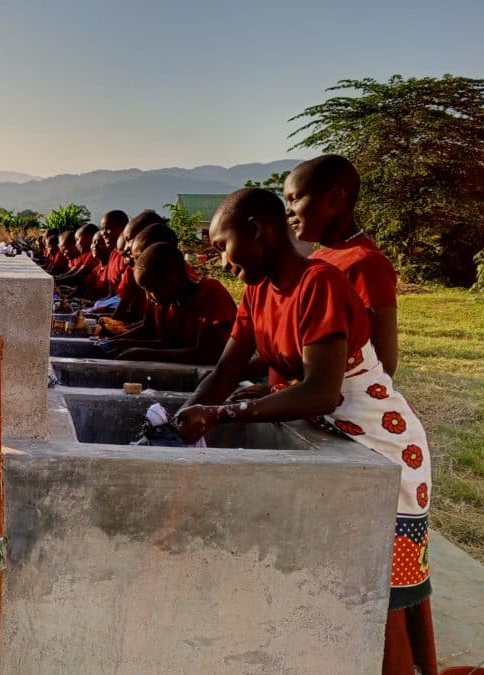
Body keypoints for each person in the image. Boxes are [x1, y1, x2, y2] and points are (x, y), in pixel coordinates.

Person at [172, 188, 435, 675]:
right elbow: (224, 372)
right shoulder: (257, 291)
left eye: (223, 247)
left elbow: (320, 392)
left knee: (385, 609)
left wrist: (225, 415)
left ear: (257, 231)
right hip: (332, 441)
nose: (222, 262)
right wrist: (181, 422)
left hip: (380, 449)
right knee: (352, 596)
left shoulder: (321, 283)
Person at [285, 154, 400, 375]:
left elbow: (383, 363)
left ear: (336, 198)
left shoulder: (367, 263)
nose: (288, 210)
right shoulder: (319, 257)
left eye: (295, 199)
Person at [104, 243, 235, 364]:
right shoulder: (165, 303)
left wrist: (145, 354)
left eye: (151, 290)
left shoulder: (210, 293)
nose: (148, 297)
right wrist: (124, 343)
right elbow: (168, 343)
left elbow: (207, 354)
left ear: (173, 279)